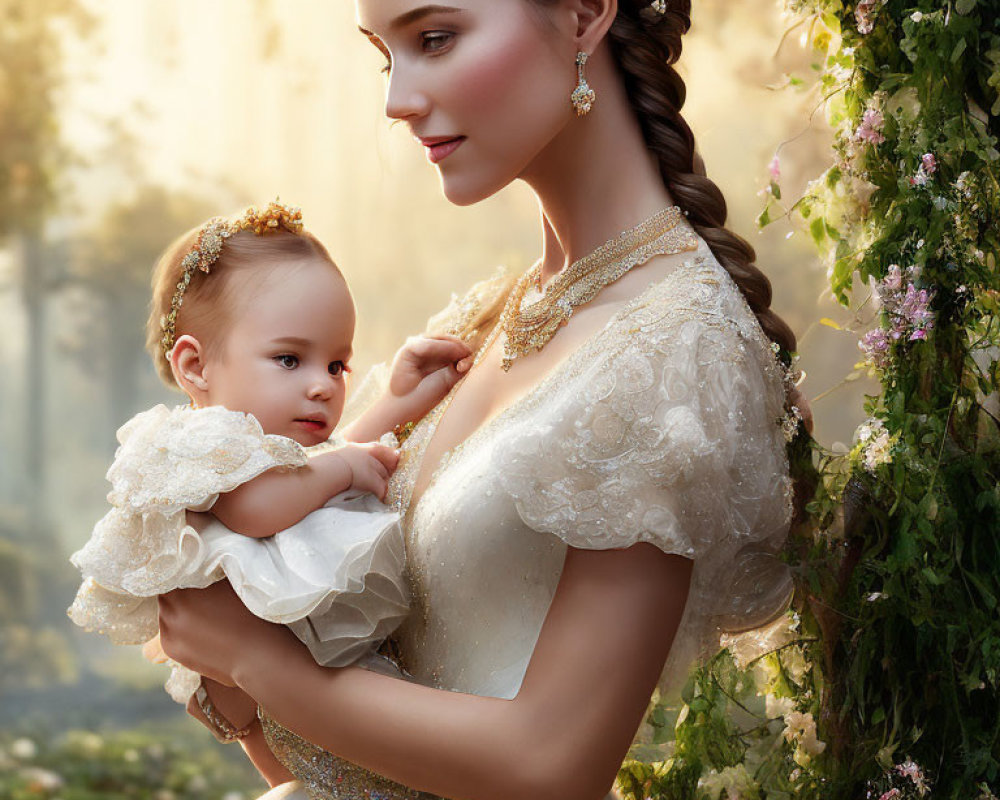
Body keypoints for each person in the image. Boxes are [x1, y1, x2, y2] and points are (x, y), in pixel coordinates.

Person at [156, 2, 813, 798]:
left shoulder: (674, 349)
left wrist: (257, 663)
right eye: (384, 54)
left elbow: (553, 767)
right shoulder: (483, 322)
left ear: (582, 15)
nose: (396, 100)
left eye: (434, 38)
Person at [68, 200, 471, 787]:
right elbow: (259, 510)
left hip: (272, 661)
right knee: (309, 774)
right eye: (289, 358)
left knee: (329, 775)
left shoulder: (263, 440)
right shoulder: (203, 439)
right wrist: (344, 472)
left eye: (337, 365)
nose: (321, 386)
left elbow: (309, 471)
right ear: (195, 366)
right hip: (242, 667)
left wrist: (401, 400)